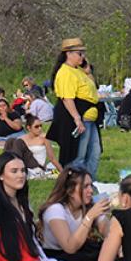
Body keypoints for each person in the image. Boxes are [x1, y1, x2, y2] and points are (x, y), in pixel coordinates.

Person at [37, 166, 111, 261]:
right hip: (57, 257)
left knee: (108, 250)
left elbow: (107, 231)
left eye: (91, 185)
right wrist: (89, 217)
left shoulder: (88, 205)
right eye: (85, 187)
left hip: (80, 252)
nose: (91, 190)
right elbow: (70, 248)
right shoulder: (55, 210)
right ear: (70, 191)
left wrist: (105, 219)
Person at [47, 37, 101, 173]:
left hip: (90, 117)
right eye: (79, 53)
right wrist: (77, 119)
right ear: (68, 54)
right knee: (78, 154)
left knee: (94, 152)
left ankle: (89, 180)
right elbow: (67, 98)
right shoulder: (65, 72)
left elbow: (93, 86)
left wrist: (88, 71)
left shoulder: (78, 70)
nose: (83, 57)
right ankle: (74, 181)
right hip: (79, 117)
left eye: (83, 53)